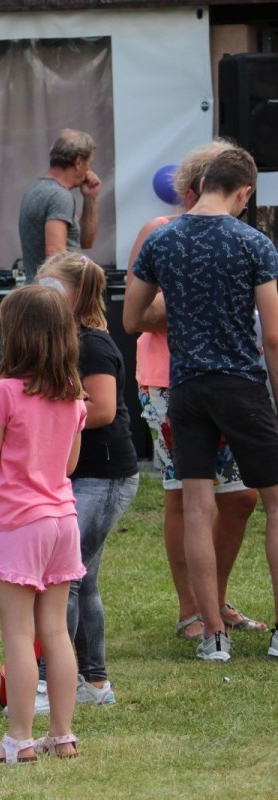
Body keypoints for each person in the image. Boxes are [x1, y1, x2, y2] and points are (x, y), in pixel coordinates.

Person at [125, 144, 278, 662]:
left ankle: (212, 633)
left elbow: (131, 320)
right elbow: (273, 335)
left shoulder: (163, 240)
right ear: (243, 192)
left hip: (186, 387)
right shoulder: (254, 242)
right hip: (242, 384)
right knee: (276, 505)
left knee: (195, 505)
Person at [0, 285, 87, 763]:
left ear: (14, 336)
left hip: (19, 524)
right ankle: (63, 734)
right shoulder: (74, 396)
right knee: (55, 631)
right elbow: (67, 465)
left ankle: (18, 740)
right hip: (62, 521)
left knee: (17, 634)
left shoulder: (3, 392)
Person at [37, 253, 139, 706]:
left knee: (66, 577)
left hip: (106, 477)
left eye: (51, 285)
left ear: (75, 294)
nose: (41, 291)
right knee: (82, 577)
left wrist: (47, 413)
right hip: (80, 476)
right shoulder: (59, 340)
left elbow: (101, 409)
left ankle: (45, 680)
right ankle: (93, 682)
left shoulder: (92, 344)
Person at [17, 129, 102, 279]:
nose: (89, 170)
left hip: (40, 291)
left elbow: (85, 241)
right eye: (89, 163)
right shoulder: (60, 196)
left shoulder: (34, 190)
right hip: (57, 294)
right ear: (79, 162)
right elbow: (54, 254)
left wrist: (90, 198)